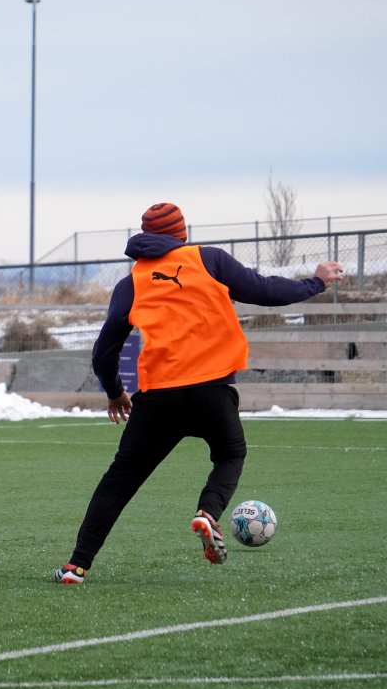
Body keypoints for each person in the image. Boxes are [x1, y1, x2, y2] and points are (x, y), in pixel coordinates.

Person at [53, 202, 344, 584]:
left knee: (119, 481)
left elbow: (104, 350)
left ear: (145, 237)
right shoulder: (209, 260)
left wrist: (114, 392)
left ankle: (77, 565)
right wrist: (316, 282)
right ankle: (207, 513)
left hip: (158, 398)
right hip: (212, 389)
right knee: (230, 454)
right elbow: (265, 290)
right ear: (181, 232)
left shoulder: (131, 284)